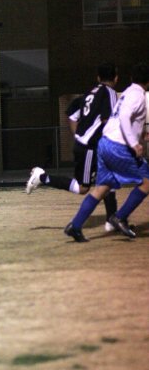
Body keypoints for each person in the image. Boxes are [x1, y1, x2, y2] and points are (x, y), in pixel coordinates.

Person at [26, 63, 119, 230]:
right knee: (83, 188)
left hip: (87, 145)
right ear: (116, 78)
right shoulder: (110, 93)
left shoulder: (90, 92)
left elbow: (71, 114)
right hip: (91, 147)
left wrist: (78, 136)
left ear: (98, 78)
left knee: (107, 179)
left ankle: (111, 220)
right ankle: (42, 177)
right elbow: (108, 121)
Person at [64, 62, 149, 242]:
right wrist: (134, 143)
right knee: (146, 182)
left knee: (102, 187)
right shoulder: (137, 96)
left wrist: (141, 134)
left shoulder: (127, 93)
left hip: (104, 144)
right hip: (118, 146)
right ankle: (119, 217)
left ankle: (76, 225)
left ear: (132, 78)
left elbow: (121, 118)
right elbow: (125, 116)